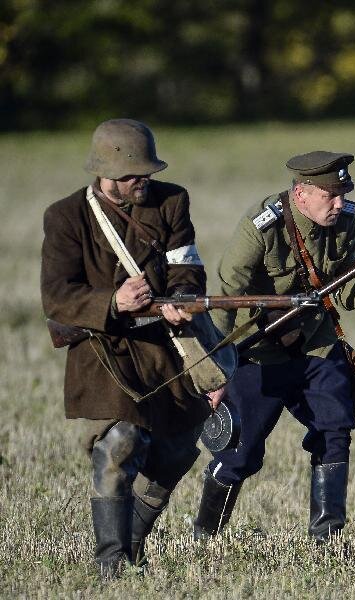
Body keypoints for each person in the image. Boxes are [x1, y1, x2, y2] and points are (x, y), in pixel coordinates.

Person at [40, 119, 212, 578]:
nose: (146, 181)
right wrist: (112, 302)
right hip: (104, 349)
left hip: (164, 347)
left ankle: (133, 540)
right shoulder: (65, 217)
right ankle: (112, 562)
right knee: (119, 443)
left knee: (178, 450)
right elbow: (56, 295)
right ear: (109, 172)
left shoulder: (171, 202)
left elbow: (186, 266)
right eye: (137, 173)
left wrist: (179, 301)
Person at [193, 151, 355, 543]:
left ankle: (326, 542)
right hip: (259, 352)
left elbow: (346, 294)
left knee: (334, 432)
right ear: (301, 194)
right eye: (329, 195)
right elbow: (227, 294)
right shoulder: (261, 226)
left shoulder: (345, 221)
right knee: (240, 454)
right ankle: (205, 537)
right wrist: (216, 370)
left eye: (343, 193)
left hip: (315, 345)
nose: (339, 203)